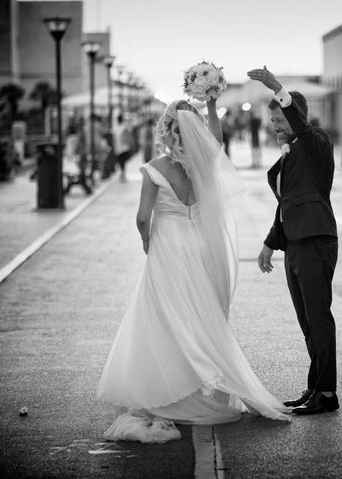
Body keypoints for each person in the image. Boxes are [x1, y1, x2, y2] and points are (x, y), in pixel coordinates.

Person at [97, 98, 290, 443]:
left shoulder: (155, 168)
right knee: (199, 314)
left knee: (165, 316)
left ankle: (175, 388)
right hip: (198, 244)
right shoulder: (201, 166)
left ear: (167, 130)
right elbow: (214, 142)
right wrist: (212, 105)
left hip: (167, 246)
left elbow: (143, 218)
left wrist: (145, 240)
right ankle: (204, 380)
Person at [248, 66, 339, 415]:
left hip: (317, 241)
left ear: (296, 116)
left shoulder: (317, 143)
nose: (276, 128)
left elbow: (299, 125)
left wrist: (276, 88)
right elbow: (287, 205)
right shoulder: (288, 156)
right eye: (272, 123)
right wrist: (271, 242)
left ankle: (327, 394)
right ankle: (315, 386)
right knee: (306, 321)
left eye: (280, 121)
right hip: (296, 244)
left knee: (319, 317)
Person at [113, 114, 132, 182]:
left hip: (118, 148)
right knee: (123, 162)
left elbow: (114, 139)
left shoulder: (115, 128)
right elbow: (128, 137)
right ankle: (123, 175)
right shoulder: (124, 127)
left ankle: (122, 175)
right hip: (124, 147)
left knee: (120, 162)